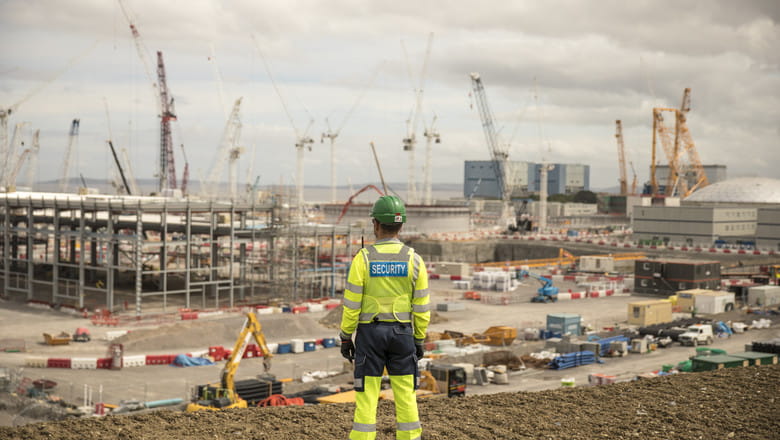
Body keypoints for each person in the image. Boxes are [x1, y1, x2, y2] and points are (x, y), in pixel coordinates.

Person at [339, 195, 430, 440]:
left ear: (376, 224)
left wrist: (346, 337)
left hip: (370, 336)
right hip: (403, 335)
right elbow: (421, 308)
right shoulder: (414, 260)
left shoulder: (364, 258)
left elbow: (351, 305)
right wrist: (419, 339)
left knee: (367, 396)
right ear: (401, 226)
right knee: (406, 395)